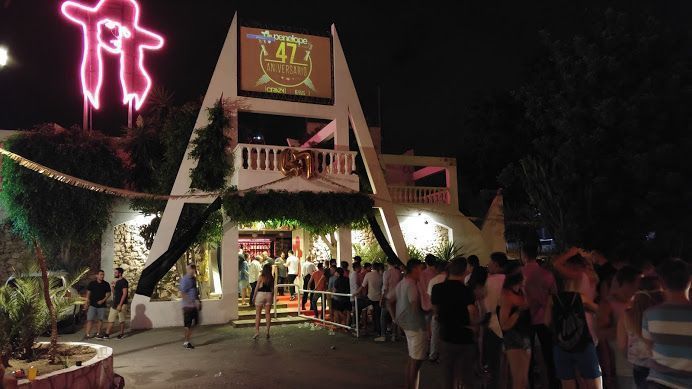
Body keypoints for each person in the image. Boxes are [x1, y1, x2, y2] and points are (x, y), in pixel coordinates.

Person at [548, 248, 602, 389]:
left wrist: (572, 251)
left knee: (578, 370)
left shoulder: (578, 275)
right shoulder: (592, 276)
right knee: (587, 370)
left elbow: (556, 264)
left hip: (577, 321)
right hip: (590, 320)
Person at [642, 259, 692, 389]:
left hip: (659, 381)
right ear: (690, 281)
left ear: (662, 284)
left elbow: (649, 347)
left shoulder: (650, 314)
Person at [431, 256, 478, 388]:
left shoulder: (437, 288)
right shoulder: (467, 290)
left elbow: (436, 311)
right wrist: (475, 326)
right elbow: (472, 311)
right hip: (465, 336)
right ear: (464, 271)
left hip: (446, 334)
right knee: (467, 375)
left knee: (447, 375)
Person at [522, 241, 559, 389]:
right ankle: (553, 384)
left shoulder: (519, 273)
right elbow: (554, 295)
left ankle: (530, 384)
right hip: (545, 317)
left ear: (524, 255)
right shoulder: (547, 274)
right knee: (549, 354)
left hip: (526, 317)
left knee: (528, 357)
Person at [616, 276, 664, 388]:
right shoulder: (662, 313)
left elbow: (622, 345)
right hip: (662, 366)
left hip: (639, 367)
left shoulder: (627, 314)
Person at [599, 265, 642, 389]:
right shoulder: (609, 304)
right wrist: (624, 328)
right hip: (625, 367)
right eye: (637, 283)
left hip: (643, 366)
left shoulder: (638, 301)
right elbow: (601, 334)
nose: (640, 287)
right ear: (627, 284)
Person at [390, 259, 427, 389]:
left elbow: (389, 299)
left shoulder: (402, 283)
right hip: (416, 326)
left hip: (407, 326)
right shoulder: (411, 284)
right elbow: (414, 304)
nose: (422, 272)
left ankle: (409, 385)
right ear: (415, 269)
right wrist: (426, 314)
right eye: (421, 269)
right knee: (416, 362)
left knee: (412, 359)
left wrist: (395, 318)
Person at [500, 271, 532, 389]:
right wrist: (519, 311)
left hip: (525, 336)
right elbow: (504, 324)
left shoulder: (521, 293)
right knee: (519, 379)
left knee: (523, 378)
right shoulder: (507, 296)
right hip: (513, 337)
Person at [483, 252, 507, 389]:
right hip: (508, 325)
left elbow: (486, 306)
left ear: (496, 264)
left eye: (490, 262)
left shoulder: (489, 281)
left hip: (492, 325)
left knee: (493, 363)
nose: (488, 265)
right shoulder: (509, 279)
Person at [377, 261, 403, 342]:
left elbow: (385, 287)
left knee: (383, 317)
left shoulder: (386, 273)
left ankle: (383, 335)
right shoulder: (399, 272)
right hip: (397, 296)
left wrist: (381, 298)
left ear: (387, 263)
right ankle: (394, 335)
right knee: (394, 316)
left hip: (387, 297)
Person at [427, 260, 448, 361]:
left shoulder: (433, 280)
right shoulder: (450, 279)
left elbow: (431, 299)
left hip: (436, 310)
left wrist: (434, 312)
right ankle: (444, 356)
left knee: (435, 334)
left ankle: (433, 354)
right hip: (449, 310)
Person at [85, 270, 111, 339]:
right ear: (97, 275)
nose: (102, 276)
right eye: (101, 274)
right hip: (92, 305)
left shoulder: (106, 284)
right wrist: (86, 302)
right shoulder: (92, 283)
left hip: (101, 306)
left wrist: (103, 300)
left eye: (103, 275)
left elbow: (108, 294)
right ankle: (87, 334)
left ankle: (98, 333)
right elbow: (88, 293)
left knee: (100, 320)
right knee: (90, 319)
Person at [180, 264, 201, 349]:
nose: (193, 272)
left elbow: (194, 291)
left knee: (194, 323)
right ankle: (186, 342)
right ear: (188, 270)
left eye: (194, 270)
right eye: (191, 270)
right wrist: (191, 301)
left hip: (193, 306)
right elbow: (182, 293)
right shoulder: (185, 280)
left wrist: (197, 301)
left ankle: (186, 339)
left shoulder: (193, 279)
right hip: (188, 307)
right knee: (188, 325)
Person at [104, 267, 129, 340]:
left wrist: (120, 304)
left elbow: (124, 294)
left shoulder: (124, 282)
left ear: (120, 273)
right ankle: (107, 334)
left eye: (116, 273)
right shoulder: (116, 281)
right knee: (111, 319)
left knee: (121, 320)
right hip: (115, 303)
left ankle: (121, 334)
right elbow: (114, 293)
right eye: (114, 273)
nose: (114, 274)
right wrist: (112, 287)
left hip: (122, 304)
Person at [360, 262, 384, 336]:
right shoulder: (381, 276)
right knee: (377, 316)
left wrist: (357, 292)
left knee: (361, 308)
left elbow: (363, 286)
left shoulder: (368, 275)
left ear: (372, 267)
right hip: (378, 298)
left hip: (370, 297)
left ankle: (364, 328)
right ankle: (378, 331)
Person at [253, 264, 275, 339]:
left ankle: (257, 332)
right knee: (268, 314)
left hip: (260, 294)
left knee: (258, 315)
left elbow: (256, 288)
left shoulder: (261, 277)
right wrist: (272, 297)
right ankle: (267, 331)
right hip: (268, 295)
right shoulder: (271, 278)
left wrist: (253, 297)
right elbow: (273, 290)